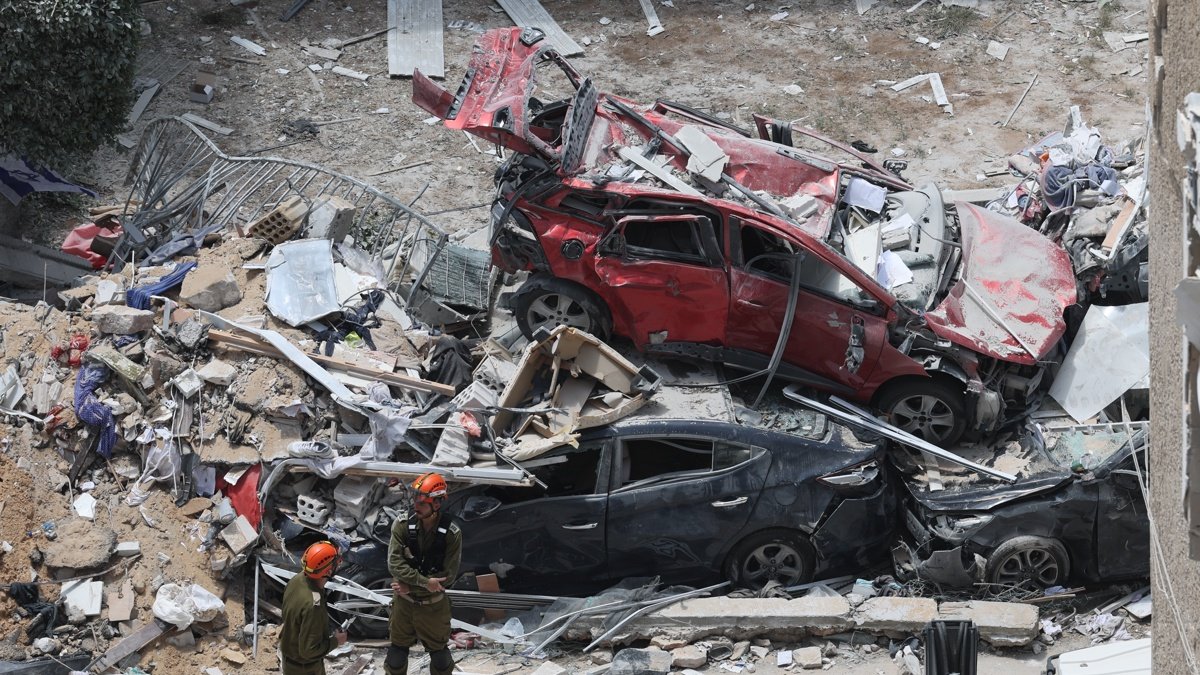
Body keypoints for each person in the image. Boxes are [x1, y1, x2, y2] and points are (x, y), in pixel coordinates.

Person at [385, 472, 462, 675]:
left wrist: (410, 585)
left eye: (422, 503)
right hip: (404, 605)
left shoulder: (452, 534)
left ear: (436, 504)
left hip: (433, 608)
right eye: (415, 501)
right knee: (396, 656)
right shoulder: (402, 525)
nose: (415, 507)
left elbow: (449, 576)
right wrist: (425, 582)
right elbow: (394, 564)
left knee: (441, 659)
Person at [280, 541, 348, 675]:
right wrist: (336, 641)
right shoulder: (313, 604)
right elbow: (309, 651)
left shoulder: (297, 580)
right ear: (328, 571)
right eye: (335, 562)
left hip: (290, 659)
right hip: (305, 669)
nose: (338, 563)